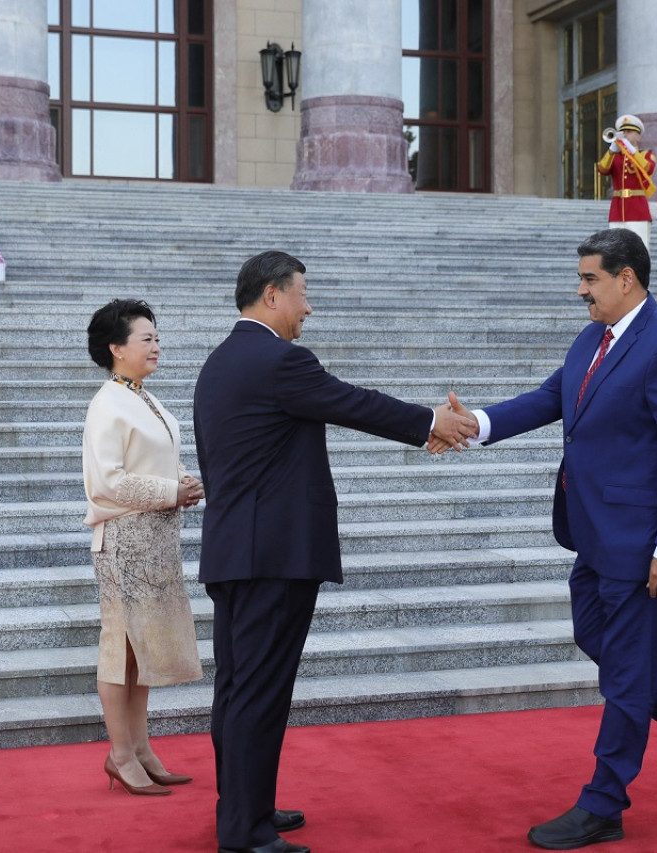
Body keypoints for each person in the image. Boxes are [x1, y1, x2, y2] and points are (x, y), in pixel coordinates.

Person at [436, 229, 657, 849]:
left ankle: (605, 803)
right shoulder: (593, 337)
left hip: (640, 544)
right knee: (597, 640)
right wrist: (479, 423)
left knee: (626, 676)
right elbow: (553, 397)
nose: (580, 290)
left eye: (589, 279)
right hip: (592, 532)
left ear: (625, 277)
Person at [192, 250, 478, 853]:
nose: (308, 306)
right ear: (272, 295)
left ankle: (248, 808)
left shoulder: (221, 361)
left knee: (241, 688)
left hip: (239, 551)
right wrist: (434, 421)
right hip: (271, 555)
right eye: (301, 294)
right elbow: (352, 402)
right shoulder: (278, 359)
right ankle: (244, 831)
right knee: (258, 690)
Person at [83, 298, 205, 796]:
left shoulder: (141, 396)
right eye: (146, 339)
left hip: (155, 539)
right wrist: (169, 492)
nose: (157, 346)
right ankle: (119, 753)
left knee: (142, 651)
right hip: (123, 542)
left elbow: (156, 457)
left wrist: (183, 480)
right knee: (120, 649)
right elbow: (106, 483)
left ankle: (141, 748)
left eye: (157, 337)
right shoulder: (107, 402)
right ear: (117, 348)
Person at [596, 114, 656, 248]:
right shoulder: (616, 157)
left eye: (629, 132)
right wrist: (611, 151)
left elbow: (648, 168)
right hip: (617, 209)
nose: (625, 135)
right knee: (616, 251)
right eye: (623, 132)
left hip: (637, 210)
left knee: (639, 250)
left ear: (638, 136)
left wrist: (631, 151)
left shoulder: (646, 154)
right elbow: (602, 169)